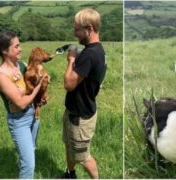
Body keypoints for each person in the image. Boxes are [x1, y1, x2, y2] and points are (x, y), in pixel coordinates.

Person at [0, 31, 45, 178]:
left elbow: (31, 85)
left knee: (30, 150)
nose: (20, 49)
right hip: (19, 121)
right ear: (4, 51)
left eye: (20, 45)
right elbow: (20, 103)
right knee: (29, 165)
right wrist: (39, 87)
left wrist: (40, 96)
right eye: (16, 46)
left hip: (33, 115)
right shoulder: (1, 76)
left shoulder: (20, 65)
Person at [62, 8, 106, 179]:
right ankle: (70, 174)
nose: (74, 33)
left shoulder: (89, 54)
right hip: (74, 112)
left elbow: (68, 84)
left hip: (81, 116)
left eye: (77, 29)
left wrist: (72, 59)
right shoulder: (96, 50)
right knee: (69, 146)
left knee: (83, 156)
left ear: (89, 29)